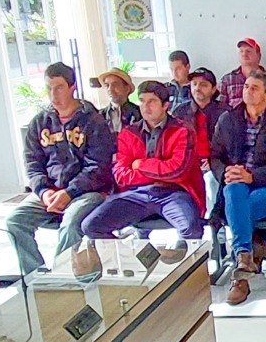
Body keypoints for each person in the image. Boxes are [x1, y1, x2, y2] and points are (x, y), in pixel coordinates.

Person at [8, 62, 113, 279]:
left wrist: (69, 193)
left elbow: (98, 167)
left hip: (87, 192)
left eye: (58, 88)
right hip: (49, 191)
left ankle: (60, 277)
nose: (53, 94)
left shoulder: (93, 121)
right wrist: (43, 191)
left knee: (71, 224)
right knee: (14, 221)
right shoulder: (40, 122)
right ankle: (36, 277)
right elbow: (32, 162)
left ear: (72, 87)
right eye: (48, 88)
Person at [210, 69, 266, 305]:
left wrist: (253, 175)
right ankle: (245, 258)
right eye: (246, 86)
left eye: (254, 88)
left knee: (238, 210)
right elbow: (215, 157)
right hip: (235, 187)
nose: (247, 91)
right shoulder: (228, 119)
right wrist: (225, 172)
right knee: (232, 191)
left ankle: (242, 265)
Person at [82, 80, 204, 247]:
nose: (146, 107)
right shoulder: (128, 133)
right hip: (137, 194)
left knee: (191, 229)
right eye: (142, 101)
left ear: (166, 105)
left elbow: (177, 171)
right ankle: (133, 262)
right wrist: (155, 171)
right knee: (91, 226)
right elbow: (120, 174)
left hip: (174, 193)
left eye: (152, 101)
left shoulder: (183, 131)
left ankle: (180, 266)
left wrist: (141, 164)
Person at [173, 67, 226, 215]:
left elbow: (229, 145)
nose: (197, 88)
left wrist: (213, 162)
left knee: (210, 181)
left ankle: (216, 227)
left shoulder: (225, 112)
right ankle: (186, 232)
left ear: (213, 89)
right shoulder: (179, 112)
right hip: (187, 165)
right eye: (194, 84)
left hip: (214, 164)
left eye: (203, 85)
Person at [221, 37, 262, 109]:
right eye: (241, 51)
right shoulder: (227, 80)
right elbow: (220, 107)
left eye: (248, 51)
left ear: (258, 56)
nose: (244, 54)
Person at [98, 67, 140, 133]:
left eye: (115, 85)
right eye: (107, 85)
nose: (110, 89)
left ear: (127, 89)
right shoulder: (99, 115)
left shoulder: (139, 113)